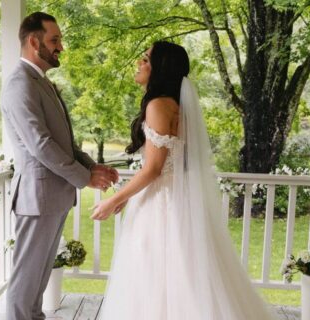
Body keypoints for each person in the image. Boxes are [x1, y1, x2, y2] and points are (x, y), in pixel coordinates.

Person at [91, 41, 277, 319]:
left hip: (161, 201)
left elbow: (153, 168)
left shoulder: (157, 105)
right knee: (184, 270)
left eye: (145, 59)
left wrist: (114, 200)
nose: (139, 64)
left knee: (155, 270)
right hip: (178, 198)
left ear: (160, 68)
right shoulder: (174, 104)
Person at [0, 12, 118, 320]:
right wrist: (84, 177)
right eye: (55, 40)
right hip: (37, 197)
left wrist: (94, 167)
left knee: (38, 281)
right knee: (26, 281)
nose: (60, 47)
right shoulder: (19, 84)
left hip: (53, 196)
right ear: (33, 41)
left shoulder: (43, 83)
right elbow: (40, 145)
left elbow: (65, 142)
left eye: (60, 40)